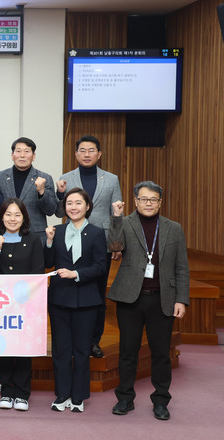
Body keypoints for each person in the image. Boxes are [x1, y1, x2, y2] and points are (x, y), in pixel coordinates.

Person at [108, 181, 189, 421]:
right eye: (144, 199)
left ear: (160, 202)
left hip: (163, 299)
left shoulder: (174, 228)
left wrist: (181, 299)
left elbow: (181, 267)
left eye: (153, 199)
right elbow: (114, 246)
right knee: (128, 351)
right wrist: (116, 217)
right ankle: (125, 398)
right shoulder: (125, 223)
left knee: (161, 353)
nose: (148, 203)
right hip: (130, 299)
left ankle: (161, 400)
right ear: (135, 201)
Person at [55, 135, 123, 358]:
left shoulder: (111, 179)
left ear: (99, 154)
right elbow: (59, 211)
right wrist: (59, 194)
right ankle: (72, 340)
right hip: (71, 242)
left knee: (97, 295)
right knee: (70, 292)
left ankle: (93, 341)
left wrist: (116, 243)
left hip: (100, 243)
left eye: (91, 150)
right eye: (82, 150)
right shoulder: (66, 178)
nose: (86, 154)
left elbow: (116, 213)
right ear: (76, 154)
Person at [44, 188, 106, 413]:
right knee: (61, 350)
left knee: (81, 350)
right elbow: (48, 263)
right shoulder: (57, 231)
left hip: (87, 299)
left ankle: (78, 396)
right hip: (59, 298)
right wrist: (49, 241)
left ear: (87, 206)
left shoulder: (97, 233)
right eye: (69, 203)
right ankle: (62, 394)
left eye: (78, 203)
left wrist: (76, 274)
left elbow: (100, 266)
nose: (73, 207)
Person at [0, 198, 44, 411]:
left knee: (23, 348)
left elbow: (37, 272)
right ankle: (7, 391)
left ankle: (22, 393)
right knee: (6, 347)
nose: (12, 219)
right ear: (1, 217)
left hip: (26, 305)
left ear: (24, 218)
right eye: (8, 214)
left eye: (17, 215)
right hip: (1, 306)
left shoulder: (33, 239)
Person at [0, 137, 57, 238]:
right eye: (18, 151)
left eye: (27, 151)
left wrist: (42, 192)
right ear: (12, 155)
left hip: (35, 236)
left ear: (33, 156)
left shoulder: (44, 178)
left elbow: (51, 210)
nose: (22, 155)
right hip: (7, 234)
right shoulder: (0, 177)